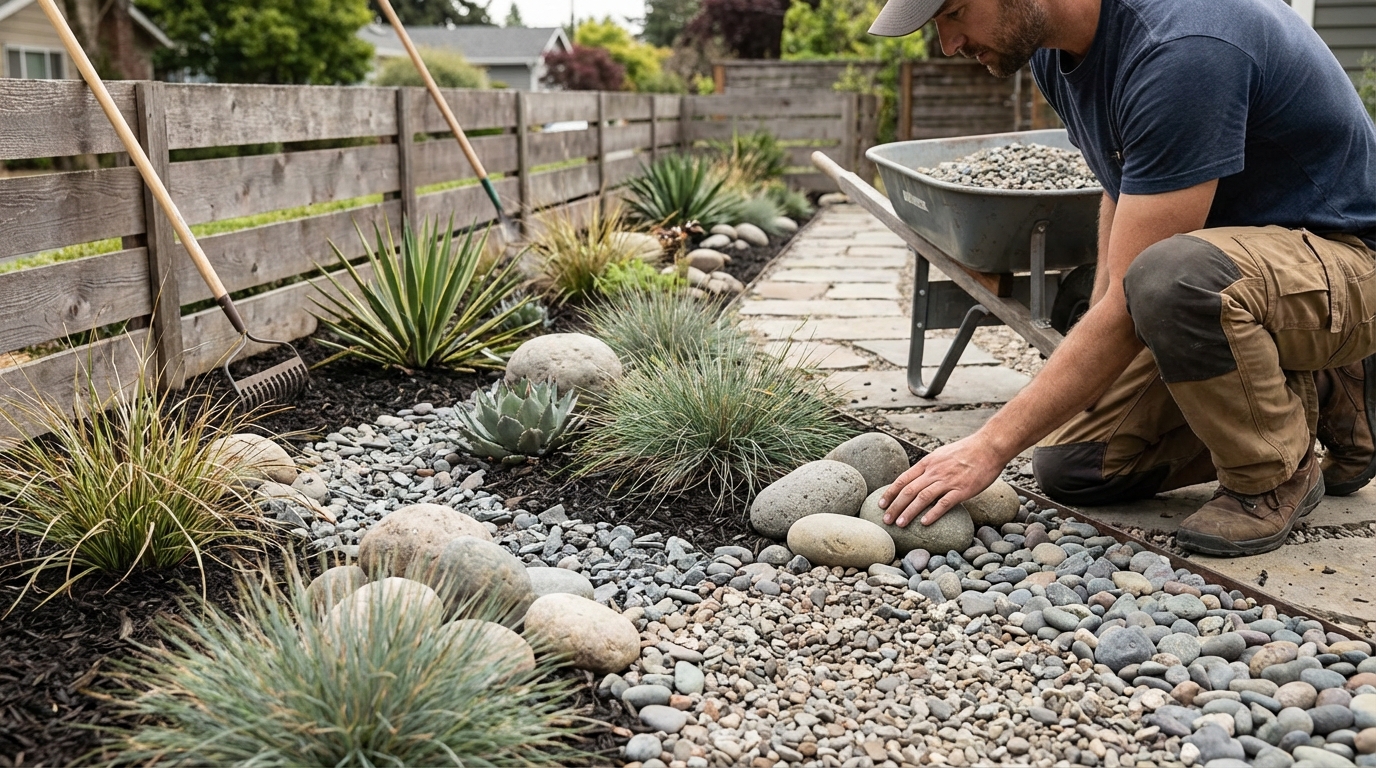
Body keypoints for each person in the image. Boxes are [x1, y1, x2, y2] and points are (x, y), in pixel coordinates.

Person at [867, 0, 1376, 555]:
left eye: (955, 13)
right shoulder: (1056, 53)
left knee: (1170, 278)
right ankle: (1327, 392)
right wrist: (1100, 320)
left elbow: (1145, 287)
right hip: (1247, 272)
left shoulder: (1181, 47)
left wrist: (989, 445)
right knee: (1077, 465)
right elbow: (1124, 185)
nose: (949, 44)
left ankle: (1272, 475)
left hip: (1347, 260)